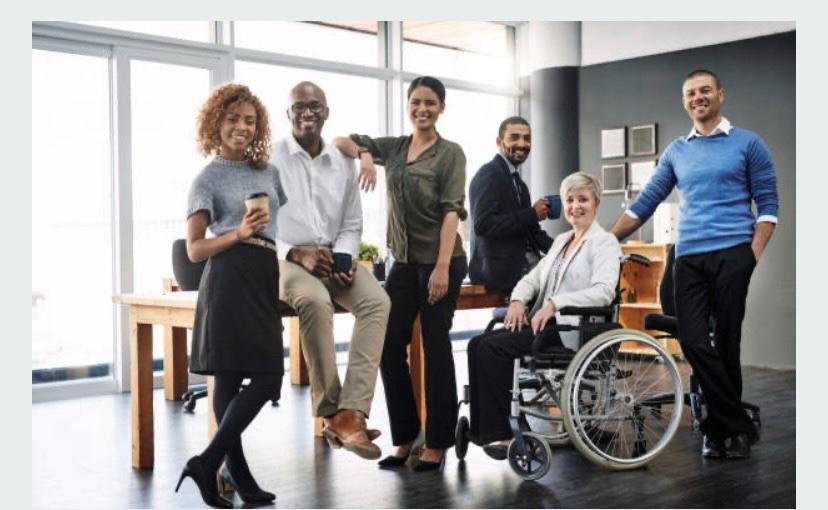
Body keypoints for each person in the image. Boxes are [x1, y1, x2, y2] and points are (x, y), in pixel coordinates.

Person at [610, 69, 778, 460]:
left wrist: (751, 254)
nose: (698, 97)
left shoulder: (748, 144)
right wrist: (603, 239)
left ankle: (719, 433)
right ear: (684, 101)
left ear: (720, 94)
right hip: (688, 257)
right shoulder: (676, 151)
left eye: (705, 90)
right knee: (694, 339)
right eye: (690, 93)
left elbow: (768, 205)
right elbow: (644, 203)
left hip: (733, 254)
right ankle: (736, 423)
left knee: (728, 342)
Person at [334, 76, 468, 471]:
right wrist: (364, 155)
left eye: (429, 103)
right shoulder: (394, 147)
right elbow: (341, 140)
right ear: (408, 105)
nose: (422, 109)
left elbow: (450, 212)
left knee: (435, 343)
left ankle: (438, 442)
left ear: (441, 108)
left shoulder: (450, 154)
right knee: (389, 345)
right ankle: (406, 436)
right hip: (403, 263)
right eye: (415, 102)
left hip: (440, 260)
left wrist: (442, 267)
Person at [176, 83, 287, 508]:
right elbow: (194, 249)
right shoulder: (207, 178)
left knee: (251, 376)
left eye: (249, 120)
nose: (241, 127)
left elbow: (277, 227)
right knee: (257, 376)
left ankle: (222, 470)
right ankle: (219, 467)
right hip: (227, 275)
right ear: (215, 123)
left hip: (262, 272)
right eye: (232, 119)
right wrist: (238, 232)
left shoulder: (269, 172)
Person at [466, 171, 621, 460]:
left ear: (596, 204)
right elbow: (533, 279)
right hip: (546, 325)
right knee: (478, 344)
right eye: (570, 200)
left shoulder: (604, 243)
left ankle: (505, 432)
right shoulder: (563, 240)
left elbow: (603, 292)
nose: (576, 206)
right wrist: (516, 301)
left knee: (492, 349)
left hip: (574, 329)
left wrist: (555, 303)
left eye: (583, 200)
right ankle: (486, 431)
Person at [272, 81, 390, 460]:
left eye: (315, 106)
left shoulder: (343, 161)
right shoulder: (271, 159)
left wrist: (343, 257)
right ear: (288, 114)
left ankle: (351, 412)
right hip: (285, 259)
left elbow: (352, 222)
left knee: (377, 301)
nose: (307, 112)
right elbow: (259, 227)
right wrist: (297, 253)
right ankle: (329, 411)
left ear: (327, 112)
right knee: (314, 301)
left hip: (330, 256)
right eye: (299, 107)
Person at [469, 116, 553, 292]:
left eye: (527, 138)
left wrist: (566, 248)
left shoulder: (519, 184)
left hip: (524, 266)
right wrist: (531, 214)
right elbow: (483, 225)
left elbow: (532, 231)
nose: (522, 144)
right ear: (499, 142)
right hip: (502, 271)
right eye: (514, 137)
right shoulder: (489, 174)